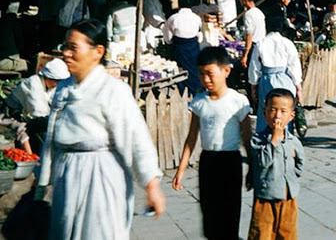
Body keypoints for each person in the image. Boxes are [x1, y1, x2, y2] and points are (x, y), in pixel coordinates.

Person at [35, 19, 165, 237]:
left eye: (73, 47)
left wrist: (151, 186)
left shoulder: (113, 90)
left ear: (98, 51)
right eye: (65, 47)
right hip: (66, 175)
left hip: (100, 176)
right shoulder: (64, 88)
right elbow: (51, 137)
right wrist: (43, 180)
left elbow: (136, 138)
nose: (66, 53)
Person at [173, 46, 252, 240]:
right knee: (209, 212)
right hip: (208, 161)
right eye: (201, 74)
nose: (205, 79)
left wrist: (252, 166)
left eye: (210, 73)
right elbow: (191, 138)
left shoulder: (238, 101)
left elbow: (247, 137)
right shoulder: (200, 102)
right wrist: (181, 170)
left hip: (230, 161)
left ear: (226, 71)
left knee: (230, 211)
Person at [248, 88, 305, 240]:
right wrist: (274, 139)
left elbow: (300, 164)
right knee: (262, 232)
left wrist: (291, 178)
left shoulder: (293, 141)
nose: (277, 116)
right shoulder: (257, 140)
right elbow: (262, 162)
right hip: (266, 195)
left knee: (288, 233)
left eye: (283, 111)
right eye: (272, 110)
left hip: (288, 196)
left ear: (291, 116)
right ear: (264, 112)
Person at [248, 16, 303, 133]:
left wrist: (253, 86)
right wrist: (298, 88)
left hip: (267, 81)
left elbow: (254, 67)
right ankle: (285, 139)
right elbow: (294, 67)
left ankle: (265, 140)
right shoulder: (287, 43)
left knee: (267, 111)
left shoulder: (260, 44)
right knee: (284, 112)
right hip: (286, 81)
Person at [6, 58, 69, 154]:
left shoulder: (50, 86)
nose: (57, 85)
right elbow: (39, 114)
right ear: (48, 77)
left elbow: (55, 103)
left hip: (28, 115)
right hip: (11, 114)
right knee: (29, 132)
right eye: (56, 81)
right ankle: (32, 158)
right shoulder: (33, 84)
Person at [164, 0, 203, 95]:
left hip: (180, 47)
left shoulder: (173, 18)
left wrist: (171, 42)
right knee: (194, 70)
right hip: (193, 46)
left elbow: (167, 35)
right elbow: (200, 31)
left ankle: (183, 93)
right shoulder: (196, 18)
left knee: (180, 70)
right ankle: (196, 92)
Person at [240, 0, 266, 68]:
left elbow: (249, 35)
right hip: (262, 44)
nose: (240, 2)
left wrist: (245, 55)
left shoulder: (248, 14)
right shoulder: (259, 12)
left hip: (253, 46)